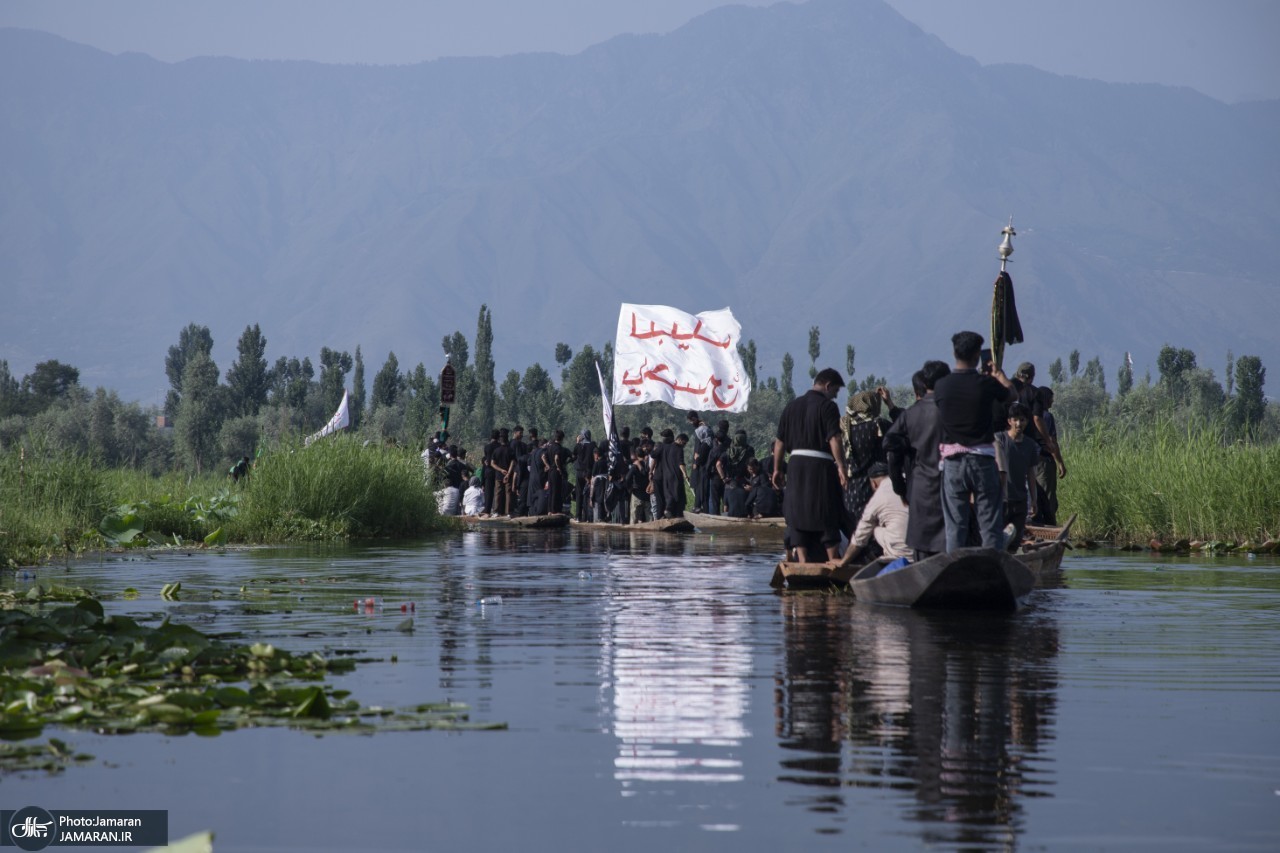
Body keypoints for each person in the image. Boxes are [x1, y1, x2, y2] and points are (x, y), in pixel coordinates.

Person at [932, 331, 1017, 551]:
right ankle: (991, 567)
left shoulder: (942, 386)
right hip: (982, 461)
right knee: (989, 526)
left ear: (954, 353)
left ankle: (956, 569)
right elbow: (1012, 395)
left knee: (955, 528)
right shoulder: (985, 383)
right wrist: (999, 375)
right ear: (978, 355)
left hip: (952, 463)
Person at [773, 368, 849, 563]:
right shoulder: (828, 407)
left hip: (795, 466)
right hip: (820, 466)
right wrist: (841, 465)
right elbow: (834, 438)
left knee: (798, 510)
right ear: (828, 386)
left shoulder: (791, 406)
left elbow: (779, 442)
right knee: (827, 508)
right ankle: (833, 558)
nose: (835, 396)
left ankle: (803, 561)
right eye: (835, 391)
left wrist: (777, 469)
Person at [883, 360, 950, 560]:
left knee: (922, 546)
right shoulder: (954, 411)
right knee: (951, 543)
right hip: (950, 485)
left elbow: (890, 445)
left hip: (919, 486)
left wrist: (900, 488)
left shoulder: (910, 414)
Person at [840, 386, 901, 530]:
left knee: (858, 535)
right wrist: (889, 403)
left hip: (851, 495)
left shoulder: (844, 428)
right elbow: (903, 427)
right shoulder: (878, 425)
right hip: (875, 491)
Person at [844, 462, 911, 564]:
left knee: (875, 528)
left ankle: (892, 555)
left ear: (874, 484)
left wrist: (844, 561)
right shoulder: (909, 480)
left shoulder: (878, 497)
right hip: (922, 545)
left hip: (902, 554)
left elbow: (860, 537)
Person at [995, 402, 1041, 551]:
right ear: (1009, 421)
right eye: (1015, 419)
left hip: (1020, 501)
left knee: (1014, 542)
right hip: (1001, 500)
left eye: (1022, 420)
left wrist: (1034, 499)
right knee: (997, 539)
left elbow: (1031, 474)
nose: (1018, 423)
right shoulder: (999, 440)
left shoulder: (1030, 445)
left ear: (1027, 421)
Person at [1034, 386, 1065, 524]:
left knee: (1035, 494)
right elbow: (1052, 441)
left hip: (1031, 461)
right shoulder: (1046, 416)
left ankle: (1035, 524)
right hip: (1044, 461)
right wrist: (1060, 462)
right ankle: (1049, 526)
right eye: (1051, 398)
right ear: (1046, 399)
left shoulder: (1028, 415)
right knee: (1048, 497)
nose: (1052, 401)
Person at [686, 412, 712, 513]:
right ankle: (698, 506)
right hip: (700, 463)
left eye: (691, 421)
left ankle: (700, 507)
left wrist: (696, 461)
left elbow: (699, 449)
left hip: (702, 464)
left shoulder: (703, 432)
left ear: (694, 418)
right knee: (698, 486)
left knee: (702, 487)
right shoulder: (702, 429)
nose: (691, 423)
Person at [626, 446, 652, 524]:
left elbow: (627, 478)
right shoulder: (648, 465)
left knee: (634, 518)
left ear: (636, 455)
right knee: (649, 519)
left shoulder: (635, 466)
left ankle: (633, 532)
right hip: (647, 495)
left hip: (636, 494)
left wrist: (629, 488)